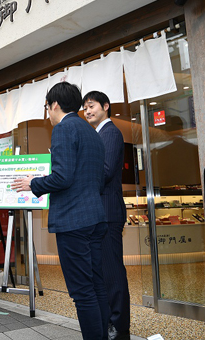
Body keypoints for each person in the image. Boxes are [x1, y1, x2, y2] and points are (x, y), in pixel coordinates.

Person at [11, 82, 109, 339]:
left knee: (82, 292)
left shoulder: (64, 129)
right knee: (97, 285)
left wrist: (33, 183)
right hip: (96, 218)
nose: (48, 113)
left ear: (54, 104)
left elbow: (63, 177)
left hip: (74, 222)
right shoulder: (92, 133)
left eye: (47, 107)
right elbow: (96, 179)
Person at [83, 91, 130, 340]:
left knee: (112, 272)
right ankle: (110, 321)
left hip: (109, 213)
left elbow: (106, 171)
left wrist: (78, 176)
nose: (88, 111)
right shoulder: (97, 134)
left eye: (91, 106)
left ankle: (119, 326)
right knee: (102, 271)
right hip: (99, 213)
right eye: (85, 109)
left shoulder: (110, 132)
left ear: (106, 106)